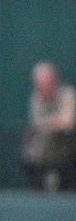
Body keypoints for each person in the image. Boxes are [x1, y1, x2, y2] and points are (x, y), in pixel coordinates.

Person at [20, 60, 76, 192]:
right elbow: (37, 124)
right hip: (46, 150)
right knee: (32, 146)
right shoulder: (36, 98)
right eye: (39, 84)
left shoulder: (67, 94)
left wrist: (49, 122)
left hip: (69, 145)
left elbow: (67, 122)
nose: (42, 87)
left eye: (45, 83)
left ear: (54, 80)